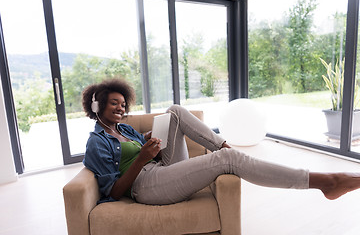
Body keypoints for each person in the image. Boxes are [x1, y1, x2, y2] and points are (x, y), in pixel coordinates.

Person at [82, 78, 360, 205]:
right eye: (113, 103)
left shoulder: (126, 129)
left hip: (160, 170)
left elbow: (141, 146)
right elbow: (114, 192)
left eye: (123, 104)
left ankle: (222, 146)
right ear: (96, 106)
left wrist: (151, 139)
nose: (120, 108)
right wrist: (142, 157)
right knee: (228, 161)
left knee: (175, 110)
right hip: (145, 187)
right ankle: (326, 182)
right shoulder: (96, 143)